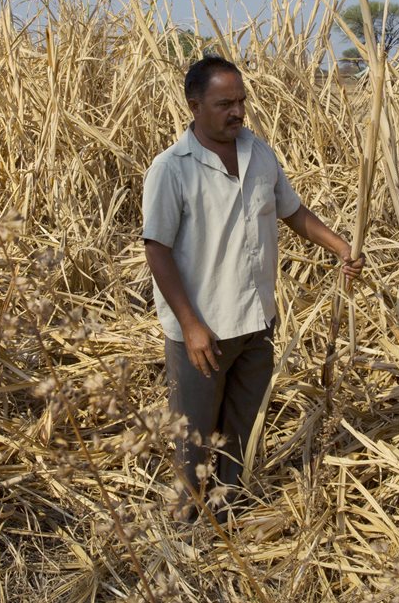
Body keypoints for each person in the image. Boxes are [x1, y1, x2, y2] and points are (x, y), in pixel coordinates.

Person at [142, 56, 363, 520]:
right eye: (225, 103)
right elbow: (157, 250)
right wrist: (190, 324)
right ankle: (186, 532)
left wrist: (339, 246)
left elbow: (291, 211)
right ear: (194, 105)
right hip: (202, 330)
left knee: (242, 430)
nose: (238, 112)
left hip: (257, 319)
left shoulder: (258, 153)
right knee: (195, 437)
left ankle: (226, 517)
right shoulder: (171, 169)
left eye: (241, 101)